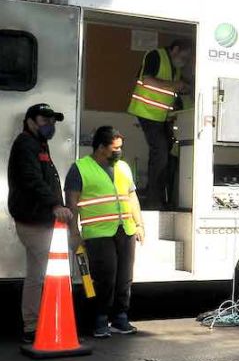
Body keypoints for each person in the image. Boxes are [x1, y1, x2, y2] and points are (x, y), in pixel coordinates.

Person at [65, 126, 145, 338]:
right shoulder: (80, 168)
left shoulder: (124, 167)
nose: (119, 152)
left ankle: (120, 318)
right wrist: (73, 233)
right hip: (98, 232)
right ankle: (100, 319)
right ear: (101, 147)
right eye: (115, 148)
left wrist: (139, 224)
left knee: (124, 277)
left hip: (125, 229)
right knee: (104, 277)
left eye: (121, 147)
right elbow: (71, 203)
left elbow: (132, 197)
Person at [7, 103, 73, 344]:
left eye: (53, 121)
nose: (51, 125)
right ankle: (54, 326)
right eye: (45, 121)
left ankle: (32, 326)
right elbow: (33, 180)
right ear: (30, 121)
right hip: (34, 220)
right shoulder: (26, 144)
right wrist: (56, 205)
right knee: (53, 274)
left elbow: (44, 181)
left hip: (37, 219)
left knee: (36, 276)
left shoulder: (38, 144)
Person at [127, 39, 192, 209]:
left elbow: (170, 89)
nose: (185, 61)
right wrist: (174, 85)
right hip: (146, 111)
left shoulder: (175, 68)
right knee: (161, 153)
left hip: (160, 116)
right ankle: (153, 200)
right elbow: (147, 81)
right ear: (176, 49)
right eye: (185, 56)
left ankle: (156, 196)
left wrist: (182, 87)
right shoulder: (155, 55)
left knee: (164, 154)